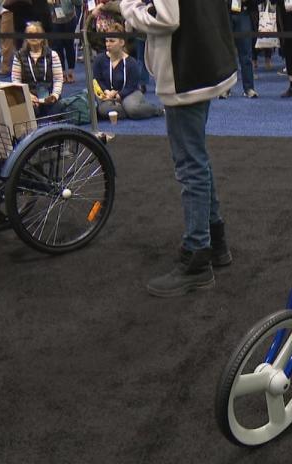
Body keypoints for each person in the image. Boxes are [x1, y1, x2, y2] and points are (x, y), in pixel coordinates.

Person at [122, 0, 238, 297]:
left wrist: (126, 8)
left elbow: (166, 17)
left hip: (185, 70)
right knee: (197, 158)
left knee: (190, 164)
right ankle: (215, 240)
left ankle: (197, 256)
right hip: (206, 63)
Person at [92, 26, 163, 119]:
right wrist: (107, 91)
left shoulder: (131, 63)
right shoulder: (99, 59)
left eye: (112, 41)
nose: (108, 44)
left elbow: (132, 85)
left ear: (122, 42)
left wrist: (118, 95)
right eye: (106, 41)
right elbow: (98, 80)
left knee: (133, 109)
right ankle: (127, 111)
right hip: (107, 94)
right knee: (104, 110)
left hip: (129, 92)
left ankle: (156, 110)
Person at [11, 21, 63, 117]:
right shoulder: (18, 56)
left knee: (55, 116)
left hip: (49, 97)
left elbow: (58, 79)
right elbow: (16, 81)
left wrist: (55, 95)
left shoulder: (53, 55)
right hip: (29, 98)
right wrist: (27, 96)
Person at [222, 0, 259, 99]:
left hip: (244, 12)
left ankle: (249, 88)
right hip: (225, 12)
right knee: (225, 54)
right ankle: (225, 88)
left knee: (246, 53)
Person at [48, 0, 80, 84]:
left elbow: (79, 3)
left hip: (69, 18)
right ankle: (61, 72)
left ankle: (70, 72)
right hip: (54, 19)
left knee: (69, 45)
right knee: (57, 47)